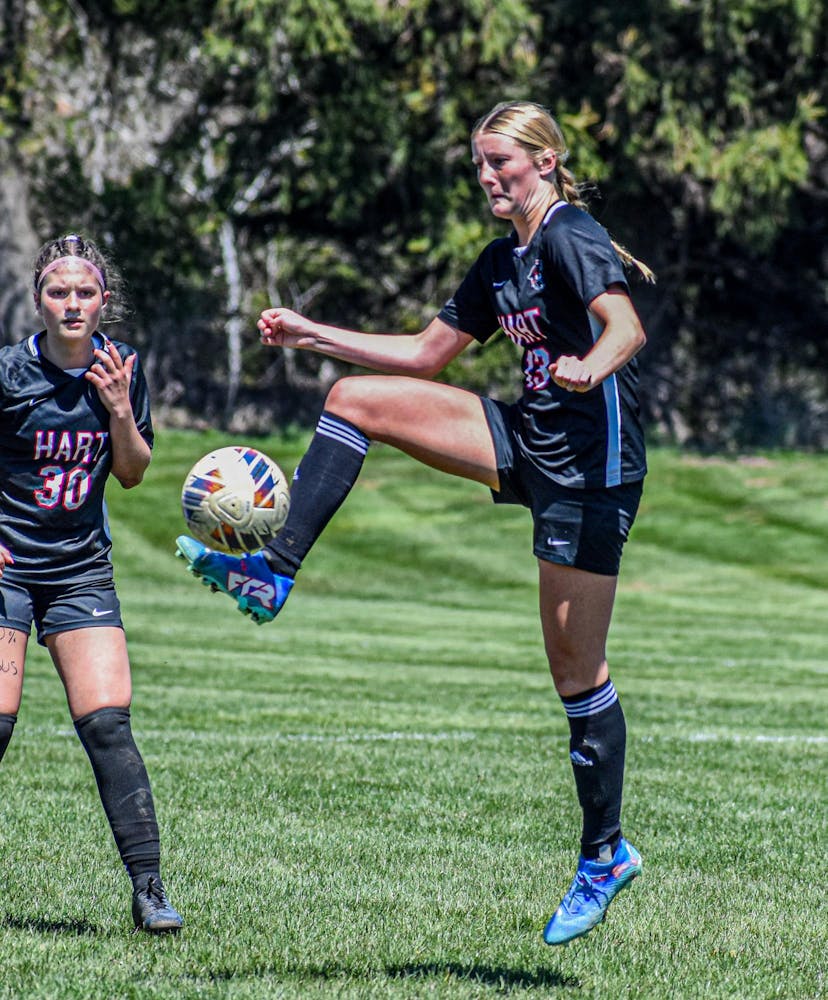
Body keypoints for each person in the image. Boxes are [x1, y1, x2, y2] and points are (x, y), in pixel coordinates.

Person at [177, 100, 652, 945]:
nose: (487, 177)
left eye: (501, 161)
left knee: (576, 674)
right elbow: (428, 354)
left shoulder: (569, 233)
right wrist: (311, 333)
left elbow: (626, 327)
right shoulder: (501, 261)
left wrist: (588, 367)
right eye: (479, 164)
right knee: (353, 399)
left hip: (590, 472)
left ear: (545, 162)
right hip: (529, 437)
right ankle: (272, 573)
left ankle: (604, 855)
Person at [0, 234, 183, 933]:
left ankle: (150, 891)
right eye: (58, 292)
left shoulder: (121, 368)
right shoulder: (9, 372)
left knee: (108, 723)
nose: (71, 304)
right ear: (38, 300)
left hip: (80, 569)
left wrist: (120, 409)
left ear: (104, 300)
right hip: (10, 568)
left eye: (84, 292)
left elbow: (131, 473)